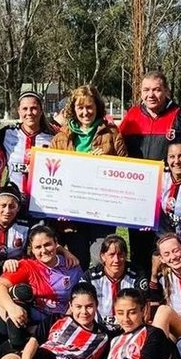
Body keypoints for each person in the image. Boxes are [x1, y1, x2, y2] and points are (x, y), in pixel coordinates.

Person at [119, 71, 181, 272]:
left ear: (166, 91)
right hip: (138, 196)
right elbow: (119, 153)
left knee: (170, 247)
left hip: (170, 197)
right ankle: (143, 290)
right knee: (140, 249)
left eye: (156, 89)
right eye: (146, 90)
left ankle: (173, 291)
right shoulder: (132, 116)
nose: (151, 95)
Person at [49, 84, 128, 268]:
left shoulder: (111, 133)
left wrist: (108, 162)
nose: (85, 112)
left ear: (97, 107)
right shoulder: (61, 138)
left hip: (102, 210)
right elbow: (53, 176)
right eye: (80, 107)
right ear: (73, 109)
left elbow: (127, 170)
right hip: (73, 213)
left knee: (100, 259)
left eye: (89, 106)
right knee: (78, 261)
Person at [0, 225, 83, 351]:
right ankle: (16, 345)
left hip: (60, 323)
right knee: (20, 292)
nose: (44, 250)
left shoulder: (71, 265)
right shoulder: (27, 266)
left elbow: (82, 297)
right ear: (32, 250)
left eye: (47, 244)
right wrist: (12, 309)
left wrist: (65, 322)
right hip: (29, 321)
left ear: (56, 243)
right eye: (38, 247)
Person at [85, 235, 150, 332]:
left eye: (120, 254)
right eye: (111, 255)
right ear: (103, 256)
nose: (116, 260)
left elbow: (144, 309)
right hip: (98, 330)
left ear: (125, 255)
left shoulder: (137, 275)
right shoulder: (90, 277)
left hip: (130, 329)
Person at [0, 91, 55, 194]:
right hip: (14, 200)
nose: (29, 113)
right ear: (19, 111)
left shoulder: (53, 137)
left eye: (34, 108)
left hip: (43, 199)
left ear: (41, 111)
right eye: (25, 109)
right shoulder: (6, 133)